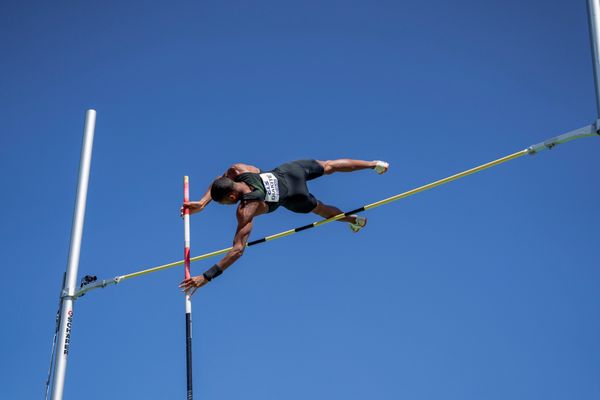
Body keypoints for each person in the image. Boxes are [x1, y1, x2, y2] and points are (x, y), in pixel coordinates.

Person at [179, 159, 389, 294]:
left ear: (232, 196)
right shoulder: (238, 169)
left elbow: (237, 251)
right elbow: (219, 179)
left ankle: (355, 221)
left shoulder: (246, 208)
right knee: (329, 166)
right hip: (289, 171)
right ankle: (375, 164)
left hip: (292, 197)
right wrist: (202, 203)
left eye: (223, 202)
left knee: (321, 210)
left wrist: (206, 277)